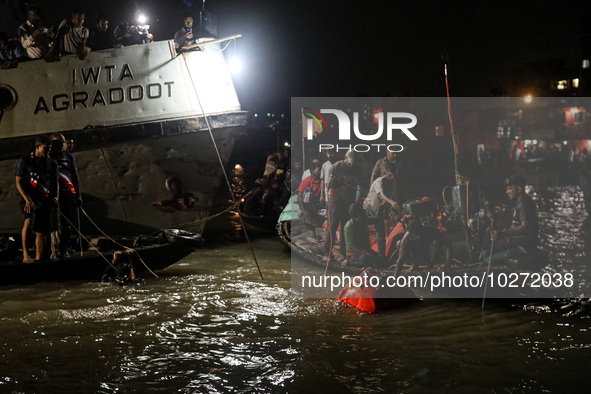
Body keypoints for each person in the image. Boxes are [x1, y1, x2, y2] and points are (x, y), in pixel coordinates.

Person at [15, 136, 58, 263]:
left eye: (49, 149)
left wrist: (54, 199)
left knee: (41, 230)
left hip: (43, 199)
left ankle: (39, 259)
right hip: (27, 199)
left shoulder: (52, 163)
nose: (48, 151)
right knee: (29, 221)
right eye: (45, 148)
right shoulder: (25, 161)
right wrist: (27, 199)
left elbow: (54, 183)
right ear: (38, 147)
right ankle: (26, 254)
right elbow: (18, 182)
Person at [480, 174, 539, 263]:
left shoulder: (525, 203)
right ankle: (478, 259)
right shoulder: (519, 202)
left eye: (510, 189)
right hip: (515, 241)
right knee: (490, 230)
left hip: (522, 245)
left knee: (487, 257)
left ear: (519, 189)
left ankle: (482, 265)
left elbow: (525, 227)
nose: (507, 192)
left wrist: (503, 233)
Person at [323, 150, 359, 262]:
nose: (350, 166)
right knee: (332, 225)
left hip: (348, 200)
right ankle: (327, 253)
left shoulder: (355, 168)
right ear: (345, 158)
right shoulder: (336, 167)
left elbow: (360, 184)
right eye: (349, 164)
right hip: (335, 199)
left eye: (352, 164)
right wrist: (332, 182)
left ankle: (343, 253)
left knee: (345, 226)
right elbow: (328, 185)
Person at [49, 133, 81, 258]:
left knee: (66, 222)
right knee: (51, 223)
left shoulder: (69, 156)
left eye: (62, 143)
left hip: (66, 193)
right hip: (51, 195)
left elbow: (74, 176)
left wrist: (78, 195)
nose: (61, 146)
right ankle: (51, 248)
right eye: (57, 143)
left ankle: (64, 248)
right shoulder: (48, 156)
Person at [363, 162, 400, 257]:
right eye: (390, 175)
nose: (392, 177)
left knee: (381, 235)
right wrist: (391, 202)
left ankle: (381, 256)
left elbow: (392, 195)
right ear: (385, 173)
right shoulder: (379, 181)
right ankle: (365, 254)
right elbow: (382, 195)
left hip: (379, 210)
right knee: (364, 233)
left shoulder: (393, 182)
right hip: (369, 209)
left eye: (394, 175)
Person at [341, 203, 381, 268]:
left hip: (367, 251)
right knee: (366, 259)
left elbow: (376, 219)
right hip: (354, 255)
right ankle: (348, 261)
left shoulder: (363, 220)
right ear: (356, 216)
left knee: (380, 259)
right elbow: (350, 247)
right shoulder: (348, 227)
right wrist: (365, 253)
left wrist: (381, 207)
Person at [297, 162, 323, 229]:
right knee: (309, 190)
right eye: (318, 170)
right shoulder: (306, 181)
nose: (320, 172)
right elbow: (299, 197)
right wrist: (304, 211)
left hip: (316, 205)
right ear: (312, 171)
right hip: (308, 205)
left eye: (321, 170)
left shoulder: (321, 181)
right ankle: (307, 214)